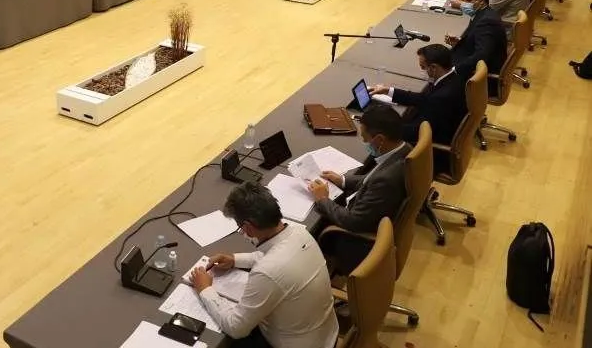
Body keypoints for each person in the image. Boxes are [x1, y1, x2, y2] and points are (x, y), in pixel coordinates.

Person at [189, 182, 338, 348]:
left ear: (248, 227)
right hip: (326, 334)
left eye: (240, 228)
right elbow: (272, 255)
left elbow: (236, 327)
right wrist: (235, 260)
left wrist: (205, 290)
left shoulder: (267, 272)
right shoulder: (300, 233)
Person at [308, 104, 411, 236]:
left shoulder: (386, 180)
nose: (363, 141)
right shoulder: (404, 149)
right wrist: (342, 180)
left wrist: (322, 199)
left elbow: (353, 221)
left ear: (380, 140)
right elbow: (371, 178)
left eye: (365, 138)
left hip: (354, 239)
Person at [369, 44, 467, 149]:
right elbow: (423, 99)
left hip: (434, 146)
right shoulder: (455, 78)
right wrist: (388, 91)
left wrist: (385, 129)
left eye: (423, 67)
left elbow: (418, 131)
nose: (422, 70)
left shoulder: (441, 98)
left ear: (433, 67)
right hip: (441, 126)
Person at [445, 0, 508, 82]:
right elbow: (480, 41)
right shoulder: (482, 13)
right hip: (472, 61)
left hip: (482, 79)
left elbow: (481, 56)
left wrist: (454, 70)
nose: (464, 3)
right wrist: (459, 41)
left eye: (468, 0)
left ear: (481, 1)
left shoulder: (487, 22)